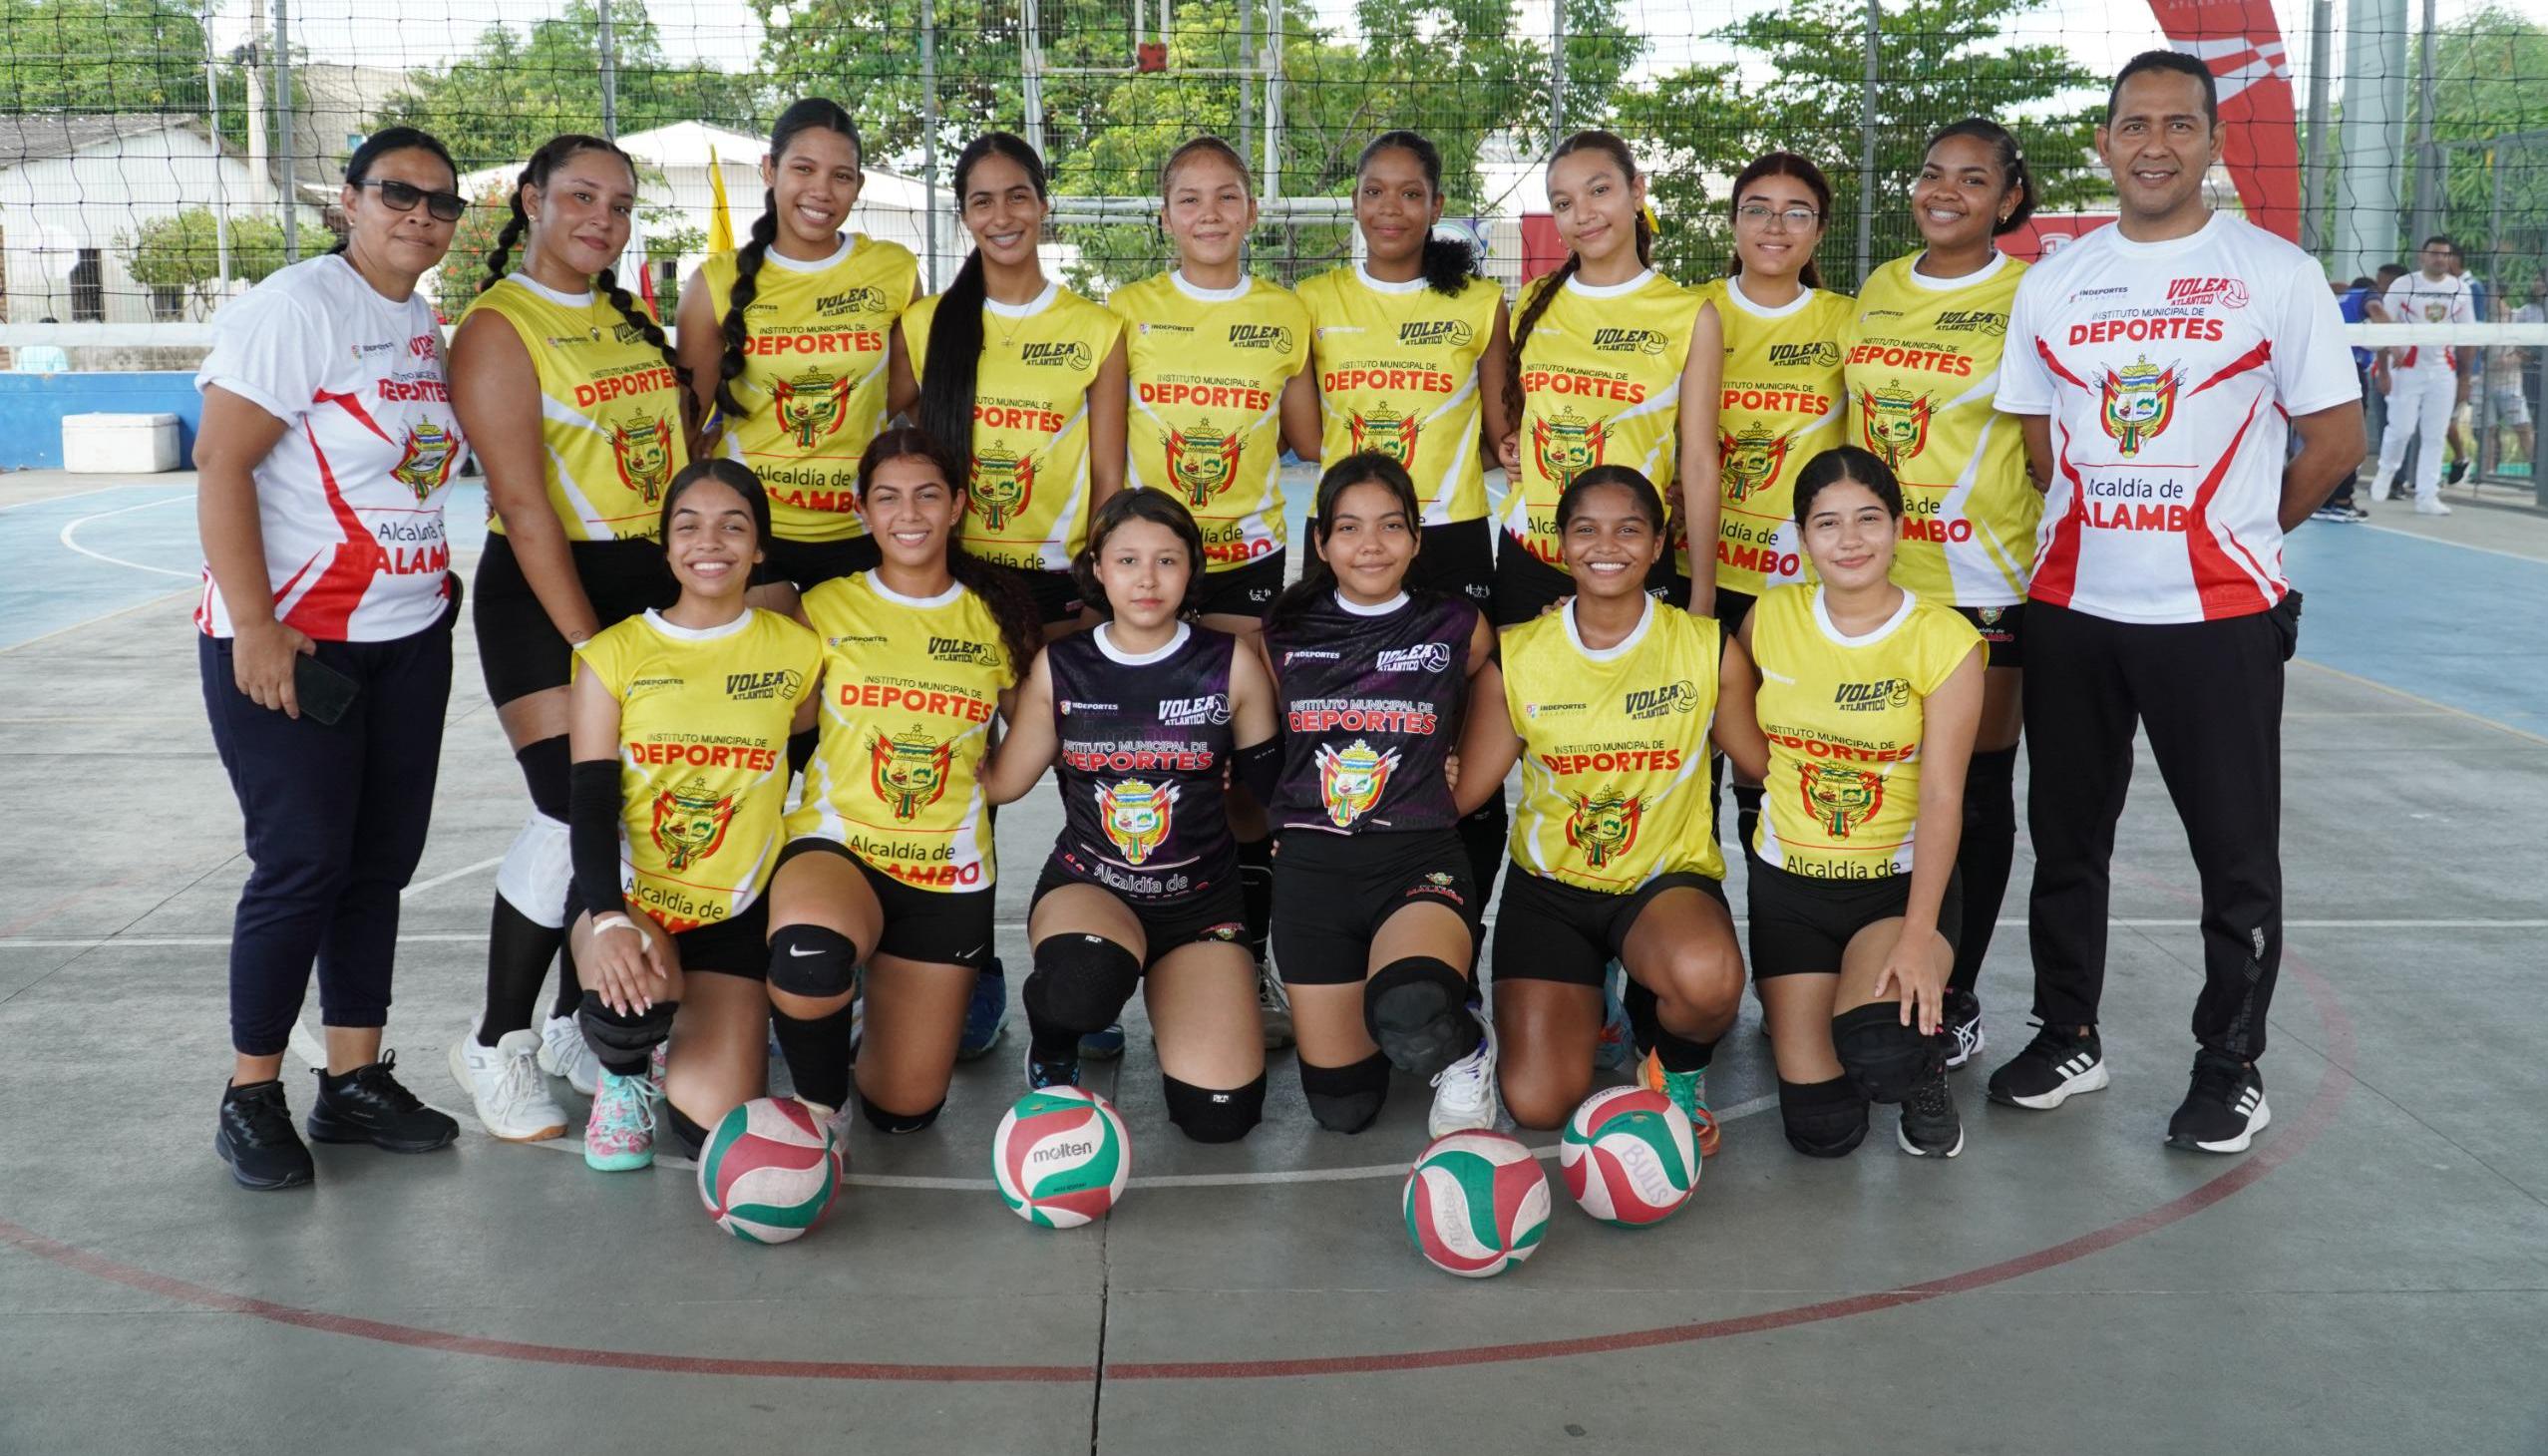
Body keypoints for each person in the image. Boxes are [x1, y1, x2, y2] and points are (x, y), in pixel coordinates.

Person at [1993, 50, 2364, 1153]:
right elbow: (2029, 443)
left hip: (2215, 618)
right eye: (2132, 124)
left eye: (2177, 124)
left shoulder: (2271, 271)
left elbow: (2334, 441)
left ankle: (2228, 1061)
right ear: (2102, 144)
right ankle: (2067, 1030)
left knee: (2232, 854)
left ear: (2208, 142)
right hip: (2071, 606)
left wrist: (2235, 534)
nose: (2153, 143)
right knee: (2064, 841)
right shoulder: (2053, 280)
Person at [193, 126, 471, 1189]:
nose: (419, 215)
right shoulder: (295, 308)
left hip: (405, 634)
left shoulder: (415, 322)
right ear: (347, 201)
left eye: (440, 203)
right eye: (398, 193)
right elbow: (222, 464)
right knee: (301, 862)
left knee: (377, 866)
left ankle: (352, 1077)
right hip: (300, 640)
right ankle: (250, 1090)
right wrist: (256, 625)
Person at [447, 133, 694, 1141]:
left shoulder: (623, 318)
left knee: (626, 812)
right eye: (581, 196)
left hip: (649, 578)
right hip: (550, 586)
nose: (602, 216)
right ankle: (494, 1040)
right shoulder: (499, 325)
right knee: (565, 809)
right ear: (531, 200)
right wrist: (598, 648)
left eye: (621, 202)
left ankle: (565, 1027)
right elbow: (522, 499)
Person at [1456, 466, 1763, 1150]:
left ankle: (1674, 1074)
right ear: (1561, 545)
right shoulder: (1519, 656)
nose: (1607, 545)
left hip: (1660, 883)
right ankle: (1601, 1009)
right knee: (1537, 1104)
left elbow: (1763, 762)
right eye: (1585, 529)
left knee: (1707, 981)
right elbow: (1465, 792)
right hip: (1550, 891)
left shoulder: (1706, 648)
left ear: (1658, 544)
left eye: (1629, 529)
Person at [760, 428, 1040, 1136]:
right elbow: (772, 721)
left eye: (925, 496)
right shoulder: (823, 606)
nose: (907, 514)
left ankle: (865, 1021)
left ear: (956, 506)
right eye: (886, 497)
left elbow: (1039, 724)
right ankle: (820, 1121)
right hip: (839, 846)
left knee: (904, 1111)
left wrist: (1001, 784)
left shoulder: (995, 614)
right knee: (809, 961)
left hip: (945, 872)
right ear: (861, 512)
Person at [977, 490, 1274, 1138]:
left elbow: (1266, 803)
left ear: (1191, 570)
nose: (1146, 579)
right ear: (1097, 569)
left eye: (1166, 561)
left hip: (1200, 903)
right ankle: (1054, 1048)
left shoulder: (1230, 664)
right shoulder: (1063, 665)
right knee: (1082, 986)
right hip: (1093, 887)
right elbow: (1001, 785)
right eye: (1128, 560)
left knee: (1219, 1120)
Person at [1109, 134, 1321, 1034]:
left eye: (1226, 196)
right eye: (1188, 199)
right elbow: (1100, 440)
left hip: (1246, 558)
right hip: (1149, 559)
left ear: (1251, 211)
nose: (1208, 214)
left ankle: (1248, 961)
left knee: (1241, 770)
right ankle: (1113, 958)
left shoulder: (1285, 314)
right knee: (1131, 760)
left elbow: (1312, 438)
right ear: (1164, 215)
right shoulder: (1124, 311)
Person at [1841, 117, 2038, 1072]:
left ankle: (1954, 992)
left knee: (1975, 793)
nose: (1944, 190)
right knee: (1888, 784)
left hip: (1984, 585)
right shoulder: (1878, 288)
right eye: (1931, 174)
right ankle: (1877, 966)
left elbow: (2048, 448)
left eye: (1972, 178)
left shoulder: (2028, 294)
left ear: (2007, 198)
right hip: (1878, 588)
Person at [563, 462, 821, 1169]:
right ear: (666, 543)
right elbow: (587, 808)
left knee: (716, 1138)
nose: (711, 542)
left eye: (733, 525)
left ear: (760, 546)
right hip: (635, 900)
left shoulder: (798, 651)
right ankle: (621, 1074)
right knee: (631, 1011)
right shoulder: (611, 654)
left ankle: (680, 1049)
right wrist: (607, 917)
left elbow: (805, 751)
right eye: (689, 525)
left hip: (735, 913)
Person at [1742, 447, 1984, 1159]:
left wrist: (1916, 933)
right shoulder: (1769, 616)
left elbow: (1942, 795)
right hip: (1788, 887)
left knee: (1881, 1052)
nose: (1848, 540)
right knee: (1823, 1133)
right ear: (1801, 536)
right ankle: (1858, 1034)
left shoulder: (1944, 639)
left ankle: (1922, 1065)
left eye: (1867, 519)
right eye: (1826, 524)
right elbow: (1712, 691)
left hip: (1895, 887)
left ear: (1898, 527)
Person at [1297, 130, 1515, 910]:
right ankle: (1347, 920)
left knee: (1461, 748)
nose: (1391, 208)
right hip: (1344, 540)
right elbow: (1294, 433)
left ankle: (1454, 935)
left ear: (1437, 205)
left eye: (1410, 193)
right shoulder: (1312, 301)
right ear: (1353, 201)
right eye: (1374, 191)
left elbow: (1502, 436)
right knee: (1342, 732)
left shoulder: (1479, 303)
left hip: (1448, 536)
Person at [1261, 454, 1503, 1138]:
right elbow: (1257, 728)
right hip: (1313, 872)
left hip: (1415, 858)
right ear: (1320, 542)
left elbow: (1495, 685)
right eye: (1349, 527)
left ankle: (1466, 1047)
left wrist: (1466, 778)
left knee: (1415, 1011)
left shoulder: (1456, 624)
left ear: (1416, 538)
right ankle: (1394, 1018)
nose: (1370, 544)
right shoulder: (1283, 630)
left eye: (1390, 525)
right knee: (1342, 1109)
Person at [679, 100, 917, 608]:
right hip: (753, 529)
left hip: (862, 526)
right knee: (768, 682)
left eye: (841, 176)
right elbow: (683, 424)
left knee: (850, 685)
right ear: (770, 170)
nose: (821, 191)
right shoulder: (714, 281)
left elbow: (905, 390)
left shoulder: (893, 269)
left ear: (858, 186)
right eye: (803, 169)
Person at [1692, 150, 1854, 853]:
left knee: (1775, 782)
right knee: (1685, 776)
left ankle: (1787, 952)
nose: (1775, 226)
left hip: (1797, 591)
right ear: (1732, 223)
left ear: (1819, 232)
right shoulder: (1690, 312)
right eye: (1757, 208)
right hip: (1695, 574)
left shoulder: (1846, 321)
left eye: (1797, 213)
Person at [904, 131, 1128, 633]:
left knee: (1049, 713)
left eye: (1017, 197)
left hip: (1057, 578)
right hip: (952, 574)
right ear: (965, 215)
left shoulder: (1096, 328)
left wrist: (1098, 587)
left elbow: (1108, 475)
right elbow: (870, 417)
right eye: (983, 202)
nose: (1002, 218)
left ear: (1043, 205)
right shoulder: (924, 324)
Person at [1496, 130, 1721, 623]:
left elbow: (1702, 460)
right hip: (1531, 554)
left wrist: (1703, 594)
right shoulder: (1534, 302)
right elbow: (1526, 414)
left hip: (1630, 560)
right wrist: (1513, 445)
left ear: (1636, 192)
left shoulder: (1689, 315)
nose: (1583, 213)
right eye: (1563, 202)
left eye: (1599, 191)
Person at [2370, 234, 2475, 517]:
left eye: (2445, 254)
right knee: (2402, 429)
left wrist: (2464, 379)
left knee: (2435, 435)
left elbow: (2469, 336)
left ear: (2451, 258)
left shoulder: (2460, 289)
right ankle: (2387, 470)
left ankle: (2427, 495)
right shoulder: (2404, 285)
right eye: (2434, 254)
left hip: (2443, 369)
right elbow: (2383, 326)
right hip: (2406, 366)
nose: (2440, 259)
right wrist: (2383, 369)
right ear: (2422, 256)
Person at [2311, 273, 2382, 523]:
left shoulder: (2334, 299)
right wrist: (2397, 339)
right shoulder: (2366, 297)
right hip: (2349, 373)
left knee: (2320, 442)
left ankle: (2323, 502)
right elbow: (2378, 312)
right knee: (2350, 443)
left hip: (2319, 372)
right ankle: (2341, 502)